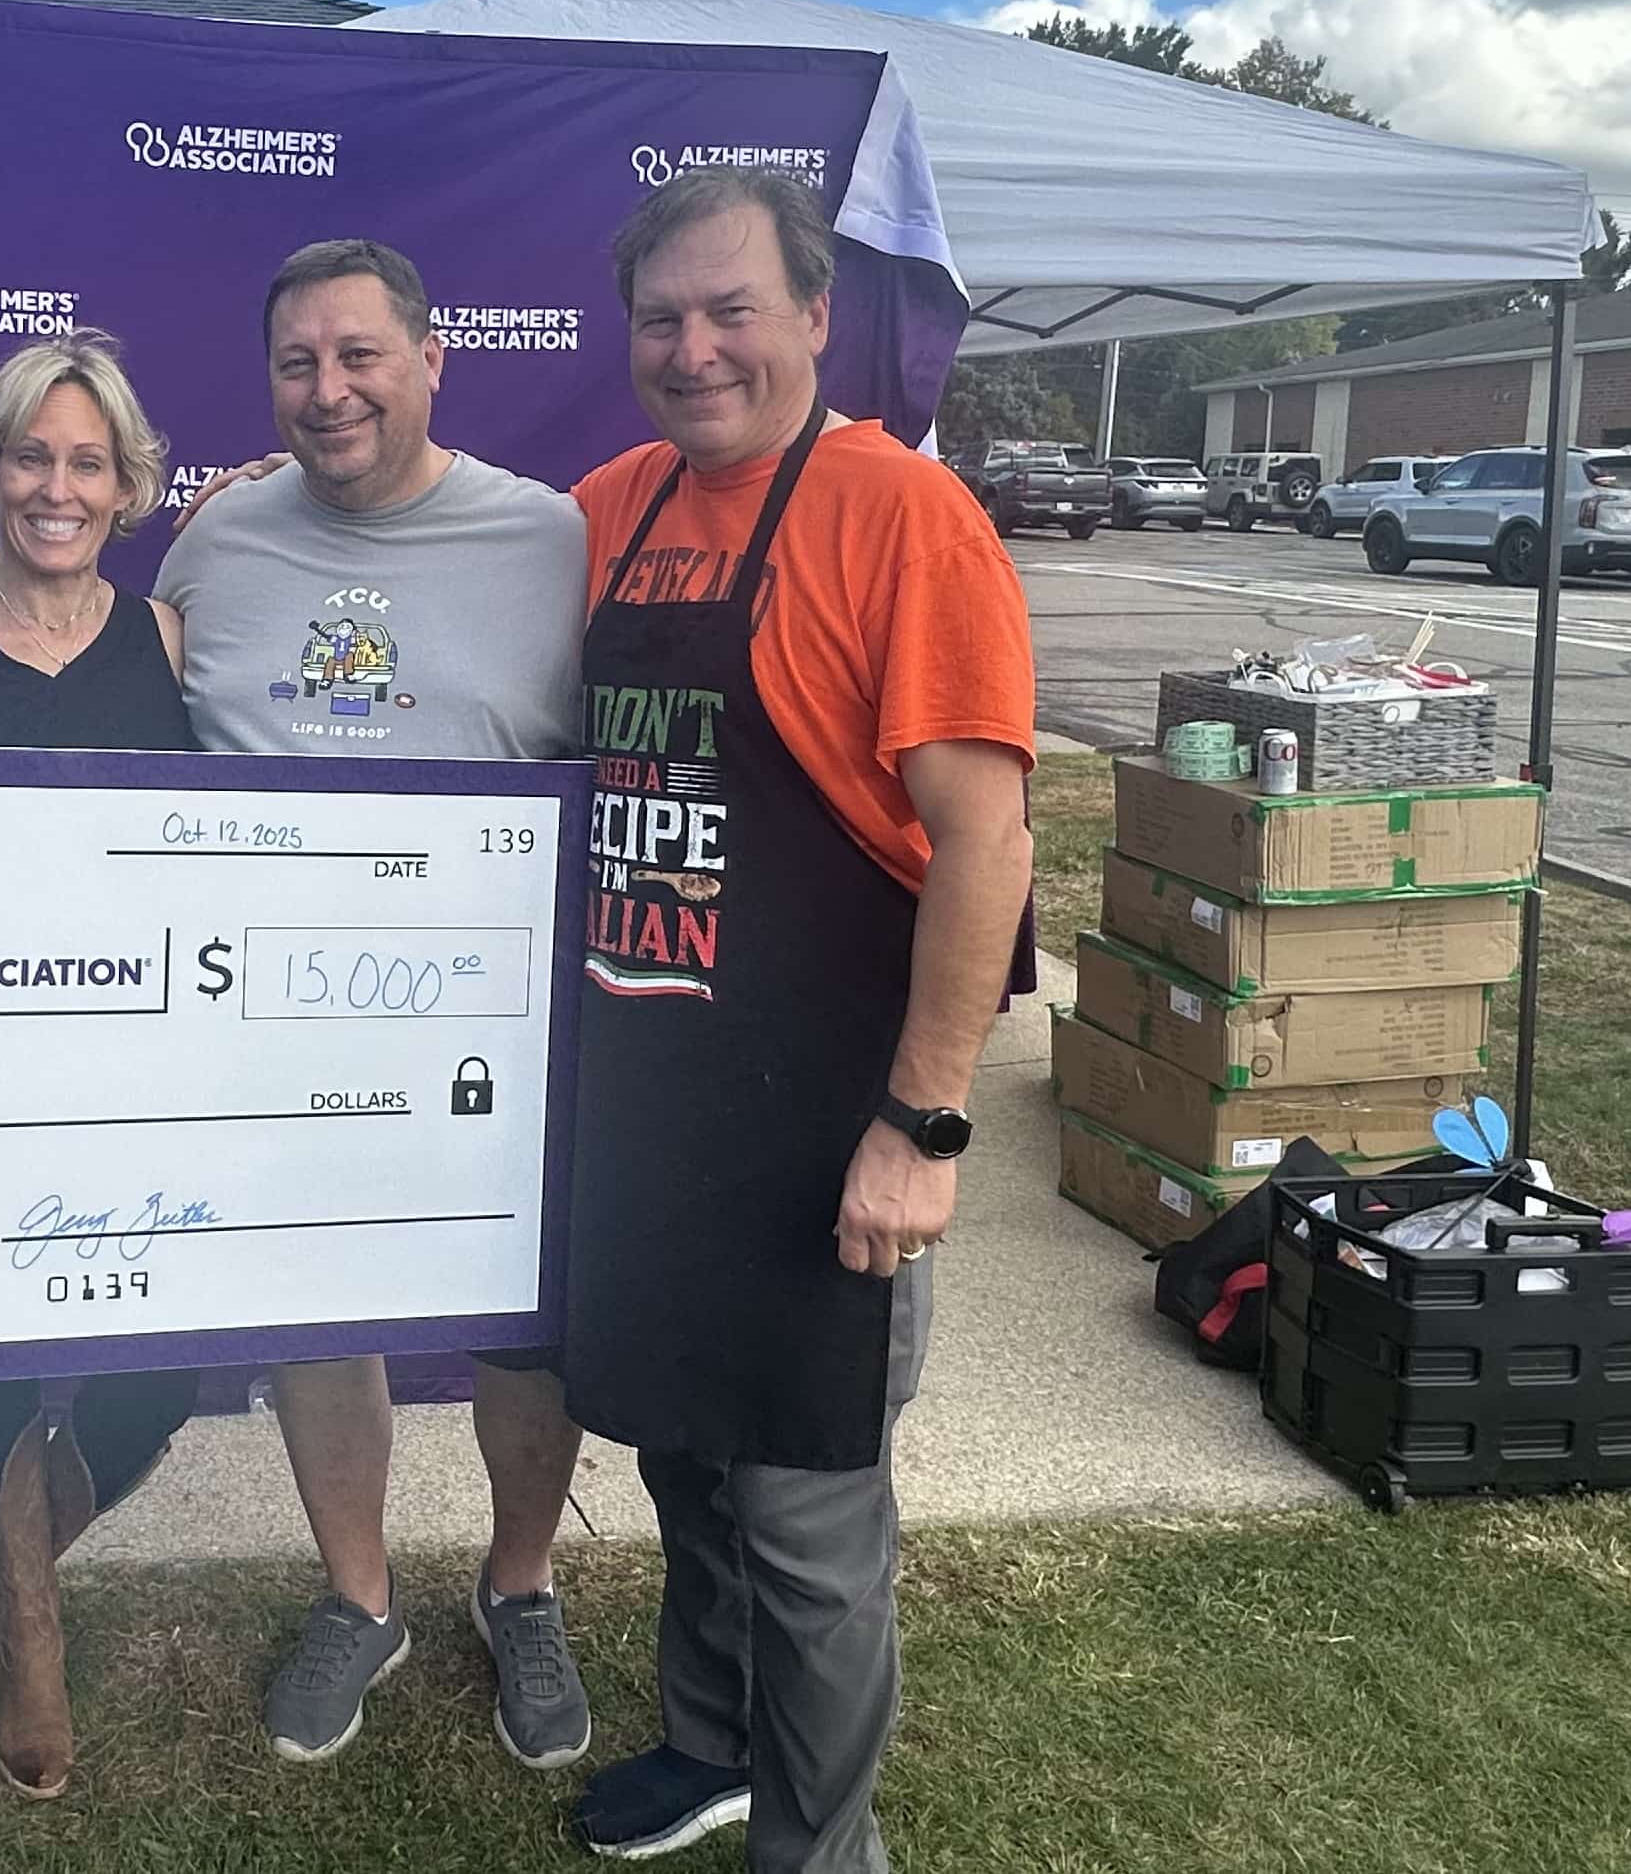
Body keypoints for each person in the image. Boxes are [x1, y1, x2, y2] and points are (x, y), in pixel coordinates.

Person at [559, 169, 1035, 1872]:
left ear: (818, 316)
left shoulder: (901, 517)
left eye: (729, 309)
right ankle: (710, 1744)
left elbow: (985, 840)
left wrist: (919, 1122)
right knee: (686, 1453)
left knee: (808, 1513)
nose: (693, 350)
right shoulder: (603, 505)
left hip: (822, 1110)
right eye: (660, 317)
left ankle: (821, 1848)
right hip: (651, 1092)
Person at [153, 238, 601, 1772]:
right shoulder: (216, 536)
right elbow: (116, 737)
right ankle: (360, 1596)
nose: (328, 390)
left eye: (359, 355)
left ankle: (520, 1584)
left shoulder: (554, 540)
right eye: (297, 362)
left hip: (503, 1017)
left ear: (431, 357)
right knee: (318, 1313)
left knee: (528, 1328)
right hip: (280, 1024)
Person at [0, 330, 203, 1799]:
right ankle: (38, 1638)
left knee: (165, 1374)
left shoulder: (175, 640)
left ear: (128, 486)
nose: (55, 487)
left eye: (87, 462)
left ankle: (6, 1582)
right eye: (28, 457)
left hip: (141, 1061)